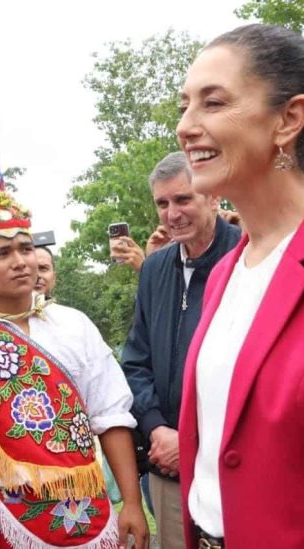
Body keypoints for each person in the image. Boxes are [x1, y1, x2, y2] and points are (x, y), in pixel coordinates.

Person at [0, 125, 148, 549]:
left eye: (26, 248)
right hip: (13, 522)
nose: (20, 262)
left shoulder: (74, 325)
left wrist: (133, 504)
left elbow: (111, 414)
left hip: (93, 516)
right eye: (2, 253)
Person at [175, 24, 304, 548]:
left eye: (213, 102)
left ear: (288, 119)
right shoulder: (227, 272)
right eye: (184, 105)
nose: (186, 126)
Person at [120, 151, 240, 549]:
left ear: (213, 196)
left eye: (183, 199)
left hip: (233, 465)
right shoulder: (155, 269)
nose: (172, 214)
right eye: (162, 203)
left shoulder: (248, 256)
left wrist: (188, 438)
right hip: (167, 467)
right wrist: (156, 427)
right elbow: (136, 361)